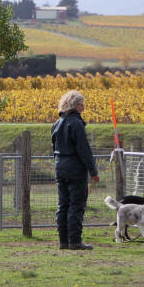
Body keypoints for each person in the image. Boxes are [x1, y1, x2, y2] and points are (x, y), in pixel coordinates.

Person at [52, 90, 100, 250]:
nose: (84, 107)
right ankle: (75, 241)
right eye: (82, 104)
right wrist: (93, 171)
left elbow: (54, 147)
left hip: (60, 166)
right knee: (76, 205)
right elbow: (84, 150)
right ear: (76, 105)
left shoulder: (57, 124)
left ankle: (63, 241)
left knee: (63, 204)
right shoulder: (76, 123)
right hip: (75, 168)